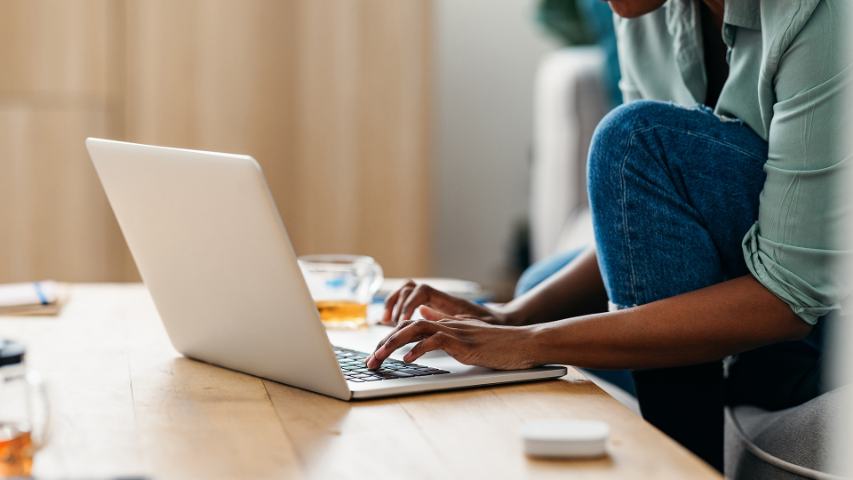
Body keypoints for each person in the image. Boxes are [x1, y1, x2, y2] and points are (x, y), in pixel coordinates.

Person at [367, 0, 850, 471]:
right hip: (747, 286)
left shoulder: (821, 14)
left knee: (636, 138)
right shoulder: (645, 13)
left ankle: (685, 462)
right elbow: (642, 210)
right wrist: (509, 319)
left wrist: (533, 341)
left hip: (823, 325)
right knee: (542, 284)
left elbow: (791, 296)